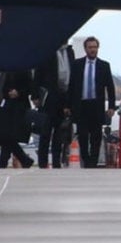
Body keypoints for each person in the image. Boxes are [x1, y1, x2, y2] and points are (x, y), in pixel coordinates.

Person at [67, 36, 115, 168]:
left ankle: (92, 162)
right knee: (82, 135)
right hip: (81, 105)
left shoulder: (104, 66)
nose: (93, 50)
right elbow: (71, 86)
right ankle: (86, 159)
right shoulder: (77, 65)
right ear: (85, 49)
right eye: (90, 47)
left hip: (96, 105)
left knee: (96, 136)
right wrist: (68, 105)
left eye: (95, 47)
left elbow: (110, 88)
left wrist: (111, 106)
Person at [32, 41, 74, 169]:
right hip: (49, 98)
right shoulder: (47, 50)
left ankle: (57, 163)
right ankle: (43, 163)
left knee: (59, 134)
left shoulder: (69, 52)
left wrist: (69, 101)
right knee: (45, 132)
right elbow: (38, 73)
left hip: (64, 97)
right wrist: (35, 96)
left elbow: (73, 75)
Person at [0, 68, 35, 169]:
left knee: (8, 136)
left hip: (19, 107)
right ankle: (23, 159)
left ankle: (4, 163)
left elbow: (30, 86)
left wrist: (18, 92)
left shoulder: (24, 68)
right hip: (5, 106)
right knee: (7, 136)